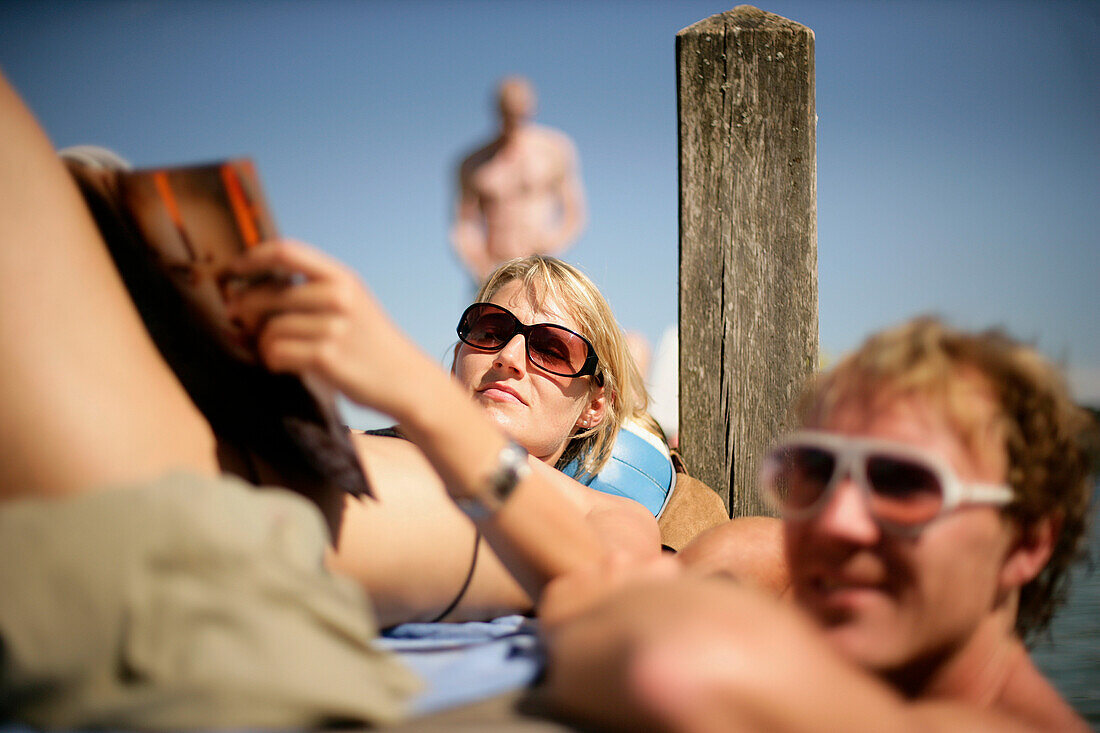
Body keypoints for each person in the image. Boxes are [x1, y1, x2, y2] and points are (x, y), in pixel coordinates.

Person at [539, 317, 1093, 731]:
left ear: (1026, 542)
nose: (837, 521)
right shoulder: (765, 567)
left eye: (903, 482)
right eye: (817, 471)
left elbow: (669, 664)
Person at [314, 254, 663, 626]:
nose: (507, 357)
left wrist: (424, 398)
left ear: (593, 407)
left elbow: (611, 593)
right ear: (456, 362)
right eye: (490, 331)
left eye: (552, 350)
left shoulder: (603, 512)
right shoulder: (359, 436)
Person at [451, 76, 586, 284]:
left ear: (532, 107)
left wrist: (553, 242)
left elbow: (574, 212)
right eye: (509, 110)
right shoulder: (473, 163)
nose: (515, 116)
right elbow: (464, 224)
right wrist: (480, 266)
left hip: (542, 269)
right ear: (497, 109)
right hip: (494, 272)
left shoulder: (554, 149)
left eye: (521, 108)